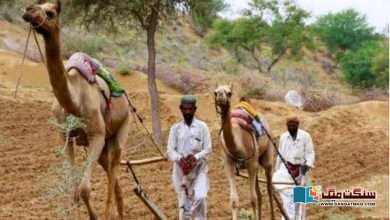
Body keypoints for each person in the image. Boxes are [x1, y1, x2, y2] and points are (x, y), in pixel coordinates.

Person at [167, 95, 212, 220]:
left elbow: (208, 148)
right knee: (184, 206)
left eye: (190, 109)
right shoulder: (175, 129)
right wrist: (180, 159)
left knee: (200, 197)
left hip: (199, 170)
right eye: (185, 109)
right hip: (180, 172)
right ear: (181, 109)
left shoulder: (202, 127)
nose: (187, 112)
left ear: (195, 109)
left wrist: (195, 157)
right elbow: (170, 150)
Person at [273, 116, 315, 220]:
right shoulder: (283, 137)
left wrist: (307, 165)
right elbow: (280, 155)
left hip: (302, 171)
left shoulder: (305, 136)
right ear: (286, 126)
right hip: (286, 170)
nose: (291, 128)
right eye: (289, 126)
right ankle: (288, 218)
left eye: (293, 126)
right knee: (288, 198)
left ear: (297, 125)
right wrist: (277, 170)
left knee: (300, 203)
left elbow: (310, 153)